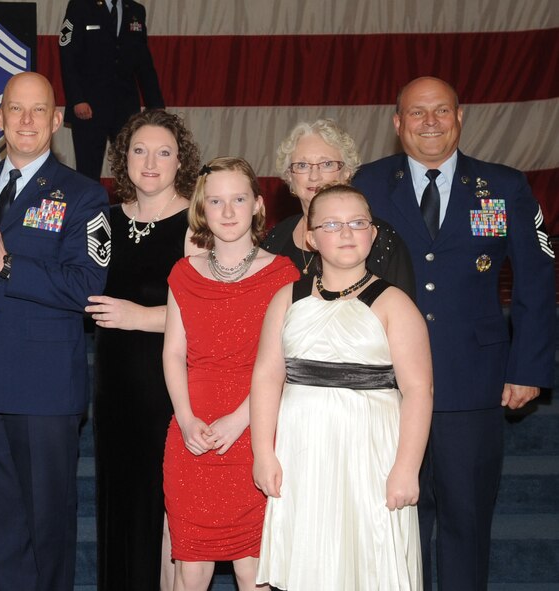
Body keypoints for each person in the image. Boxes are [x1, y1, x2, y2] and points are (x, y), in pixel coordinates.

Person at [353, 76, 556, 590]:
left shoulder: (504, 186)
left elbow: (537, 279)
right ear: (397, 124)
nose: (429, 123)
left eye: (440, 111)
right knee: (399, 523)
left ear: (460, 117)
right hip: (389, 385)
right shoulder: (369, 184)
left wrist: (527, 368)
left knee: (467, 522)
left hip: (474, 381)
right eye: (416, 113)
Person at [0, 72, 110, 591]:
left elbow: (87, 286)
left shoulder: (84, 196)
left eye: (38, 110)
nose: (25, 121)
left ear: (56, 120)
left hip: (45, 389)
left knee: (47, 527)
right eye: (15, 110)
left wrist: (8, 262)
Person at [251, 184, 433, 590]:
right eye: (332, 224)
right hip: (302, 453)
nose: (347, 232)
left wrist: (406, 467)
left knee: (368, 558)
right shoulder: (286, 298)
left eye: (357, 223)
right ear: (312, 237)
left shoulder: (395, 304)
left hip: (371, 454)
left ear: (372, 233)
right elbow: (266, 375)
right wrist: (263, 453)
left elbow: (419, 391)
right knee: (309, 556)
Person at [162, 157, 300, 591]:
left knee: (253, 569)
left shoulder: (284, 275)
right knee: (191, 567)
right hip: (192, 435)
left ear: (258, 205)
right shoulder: (183, 274)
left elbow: (284, 364)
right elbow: (172, 353)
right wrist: (185, 419)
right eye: (216, 201)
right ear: (202, 210)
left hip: (256, 435)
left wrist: (241, 420)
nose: (227, 211)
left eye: (238, 199)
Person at [85, 109, 201, 591]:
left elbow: (209, 314)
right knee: (118, 499)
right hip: (112, 387)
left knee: (161, 506)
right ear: (123, 159)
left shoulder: (198, 223)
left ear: (181, 163)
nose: (150, 161)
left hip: (167, 390)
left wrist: (142, 317)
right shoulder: (103, 221)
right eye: (139, 150)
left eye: (163, 152)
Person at [262, 119, 416, 298]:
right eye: (302, 165)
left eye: (326, 164)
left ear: (347, 172)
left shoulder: (380, 239)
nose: (314, 176)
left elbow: (401, 316)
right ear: (289, 176)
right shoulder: (276, 238)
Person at [59, 0, 165, 181]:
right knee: (88, 171)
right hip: (89, 107)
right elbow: (68, 56)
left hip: (125, 107)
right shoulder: (81, 6)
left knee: (131, 167)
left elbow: (144, 63)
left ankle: (130, 208)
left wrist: (155, 105)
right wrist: (77, 99)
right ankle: (89, 210)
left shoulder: (136, 11)